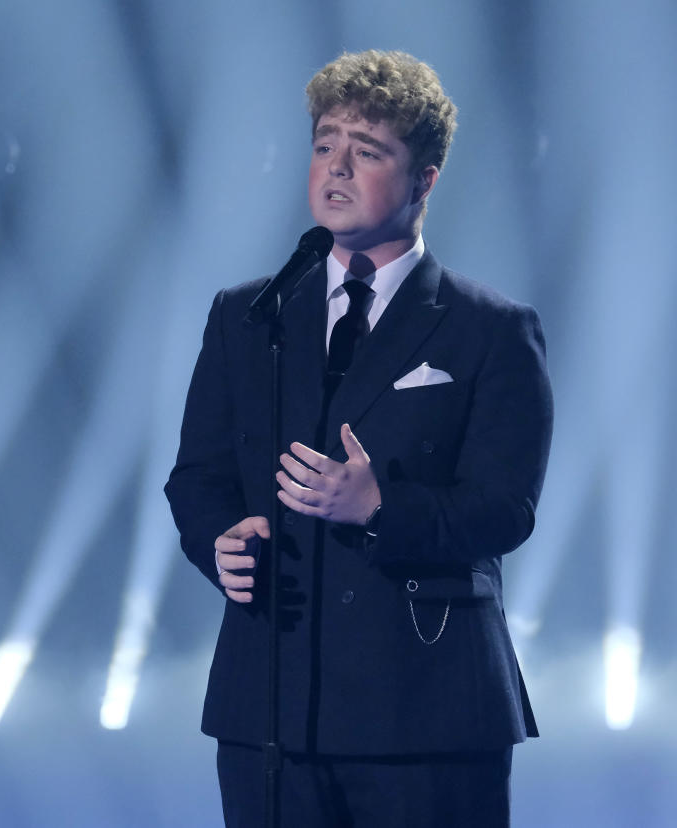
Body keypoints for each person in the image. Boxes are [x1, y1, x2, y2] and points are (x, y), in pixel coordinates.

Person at [164, 50, 553, 827]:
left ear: (426, 179)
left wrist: (382, 505)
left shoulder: (491, 330)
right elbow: (196, 477)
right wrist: (220, 541)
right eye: (324, 144)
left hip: (427, 714)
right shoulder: (251, 315)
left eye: (367, 150)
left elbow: (506, 510)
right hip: (270, 709)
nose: (336, 166)